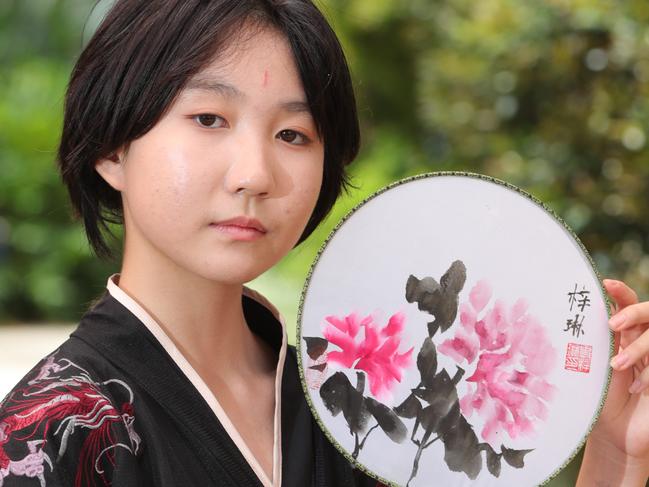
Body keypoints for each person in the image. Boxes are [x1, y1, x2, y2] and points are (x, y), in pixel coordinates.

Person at [0, 1, 647, 486]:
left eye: (293, 134)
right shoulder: (48, 435)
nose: (254, 173)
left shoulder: (362, 396)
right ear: (112, 147)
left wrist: (618, 451)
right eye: (207, 118)